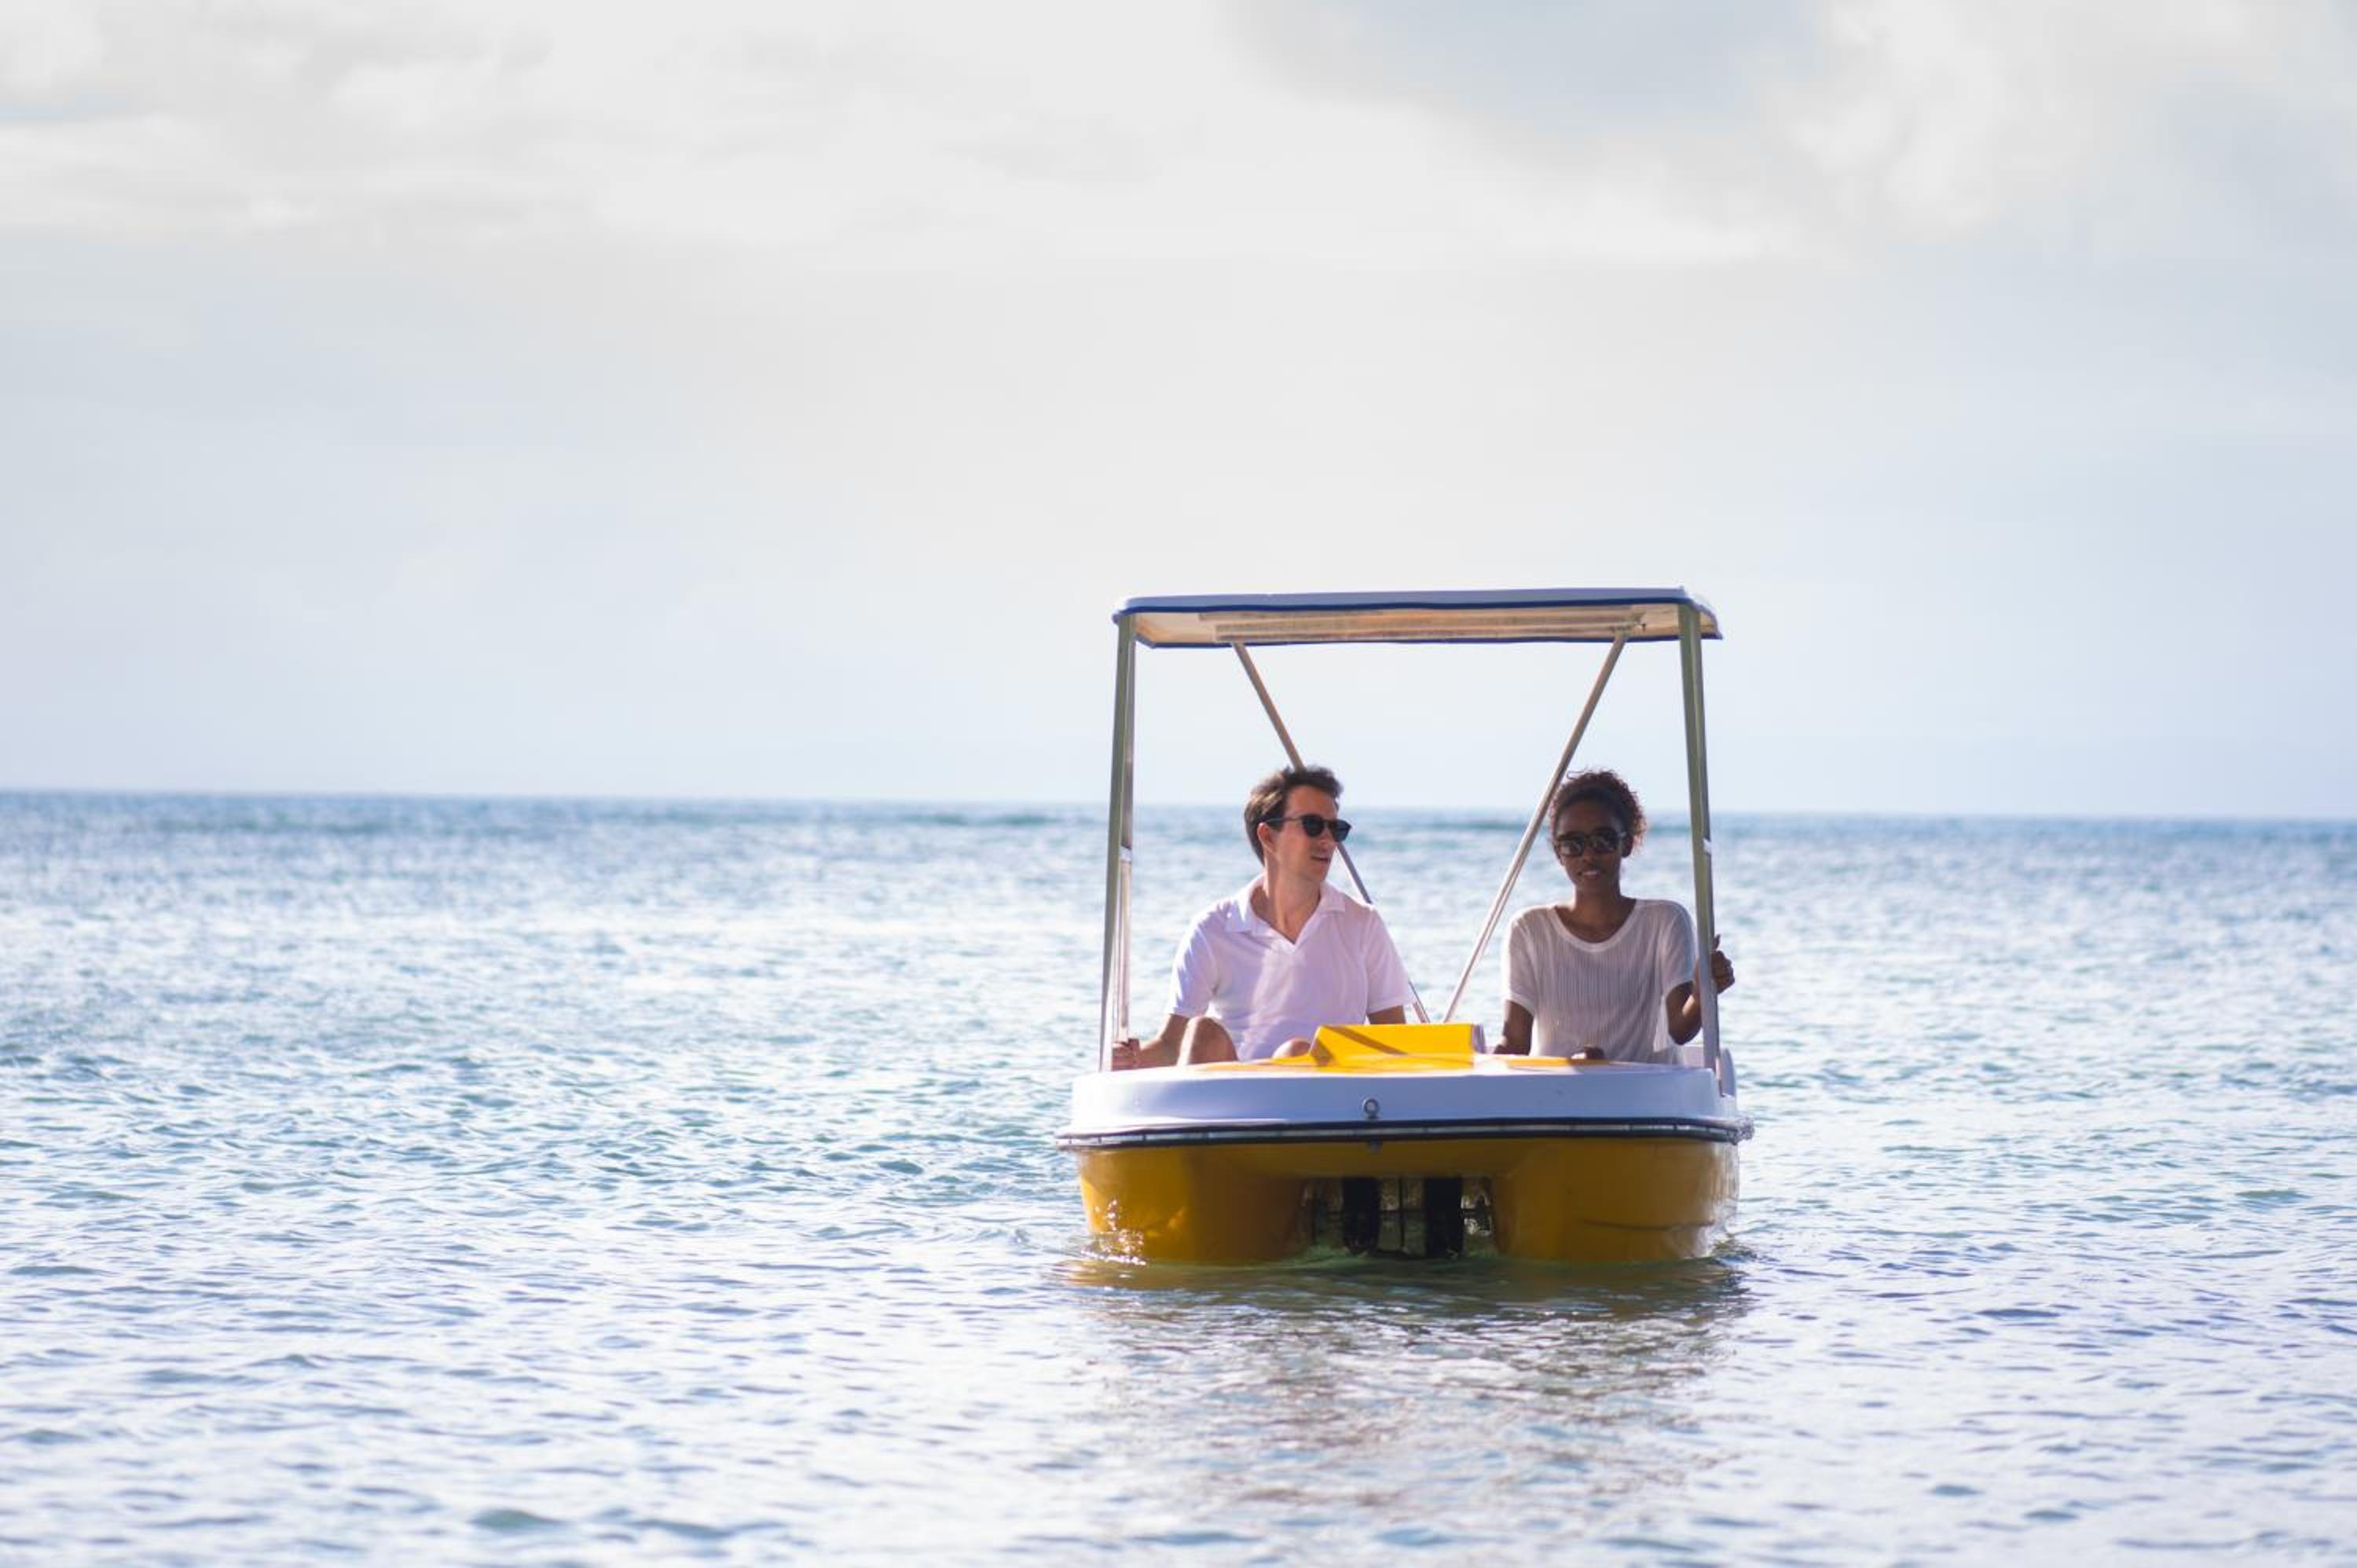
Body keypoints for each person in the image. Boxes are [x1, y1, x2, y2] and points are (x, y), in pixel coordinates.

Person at [1112, 764, 1413, 1068]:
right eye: (1312, 825)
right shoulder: (1212, 929)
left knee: (1296, 1052)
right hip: (1238, 1093)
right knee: (1202, 1031)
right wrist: (1129, 1059)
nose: (1327, 840)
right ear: (1268, 836)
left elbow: (1395, 1041)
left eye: (1336, 829)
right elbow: (1171, 1046)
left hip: (1330, 1091)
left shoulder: (1362, 924)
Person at [1497, 768, 1735, 1061]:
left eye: (1603, 840)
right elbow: (1514, 1042)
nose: (1588, 855)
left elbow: (1680, 1029)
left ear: (1627, 844)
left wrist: (1701, 995)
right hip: (1557, 1088)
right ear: (1559, 853)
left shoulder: (1665, 921)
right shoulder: (1529, 929)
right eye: (1573, 844)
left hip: (1644, 1089)